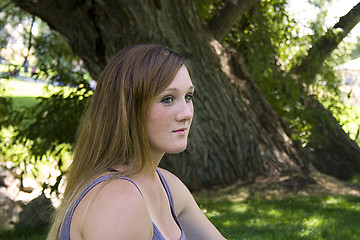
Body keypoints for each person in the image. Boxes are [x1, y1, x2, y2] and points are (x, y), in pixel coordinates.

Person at [47, 44, 226, 240]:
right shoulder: (118, 202)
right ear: (128, 109)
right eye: (167, 99)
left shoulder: (166, 185)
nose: (186, 113)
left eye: (188, 96)